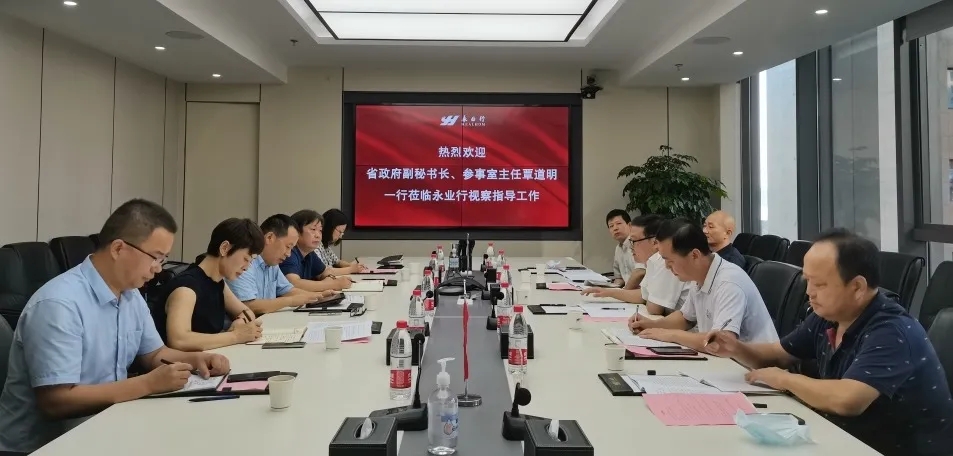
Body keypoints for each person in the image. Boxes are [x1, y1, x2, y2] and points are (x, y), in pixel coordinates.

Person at [0, 199, 231, 453]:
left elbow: (155, 354)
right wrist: (147, 384)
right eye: (155, 257)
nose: (158, 269)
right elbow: (56, 401)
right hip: (43, 447)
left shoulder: (131, 295)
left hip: (103, 427)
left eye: (163, 259)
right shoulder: (59, 304)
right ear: (119, 248)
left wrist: (197, 359)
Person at [706, 229, 953, 456]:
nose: (809, 292)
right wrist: (736, 347)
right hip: (844, 440)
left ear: (857, 287)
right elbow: (778, 354)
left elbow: (847, 400)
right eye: (808, 281)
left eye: (820, 284)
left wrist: (784, 379)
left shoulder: (893, 331)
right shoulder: (828, 316)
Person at [630, 218, 778, 350]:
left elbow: (721, 343)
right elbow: (685, 318)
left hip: (753, 367)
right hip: (726, 362)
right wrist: (652, 325)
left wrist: (670, 335)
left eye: (670, 260)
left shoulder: (729, 282)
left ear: (695, 255)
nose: (667, 267)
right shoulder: (700, 275)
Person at [151, 218, 264, 351]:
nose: (247, 267)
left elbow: (246, 312)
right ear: (225, 248)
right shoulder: (186, 289)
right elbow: (179, 340)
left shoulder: (218, 282)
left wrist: (240, 322)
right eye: (246, 259)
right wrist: (235, 336)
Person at [581, 215, 688, 315]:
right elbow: (643, 295)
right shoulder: (652, 261)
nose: (631, 246)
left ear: (655, 242)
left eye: (634, 241)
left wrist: (647, 298)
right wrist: (607, 292)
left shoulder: (664, 262)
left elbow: (654, 309)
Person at [226, 214, 331, 314]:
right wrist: (290, 301)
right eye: (288, 246)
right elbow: (248, 305)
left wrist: (319, 296)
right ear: (269, 238)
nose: (288, 254)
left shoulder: (272, 264)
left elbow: (288, 290)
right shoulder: (244, 262)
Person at [280, 210, 352, 292]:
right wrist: (333, 284)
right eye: (313, 229)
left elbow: (324, 272)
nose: (318, 235)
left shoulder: (310, 253)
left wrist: (329, 279)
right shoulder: (289, 252)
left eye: (320, 230)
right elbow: (294, 283)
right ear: (296, 231)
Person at [316, 208, 367, 276]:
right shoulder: (315, 245)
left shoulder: (325, 245)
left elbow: (337, 262)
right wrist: (351, 269)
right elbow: (325, 271)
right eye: (340, 232)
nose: (340, 236)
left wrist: (351, 266)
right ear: (329, 227)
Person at [605, 209, 645, 289]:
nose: (615, 228)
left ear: (630, 225)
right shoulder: (618, 249)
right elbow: (619, 279)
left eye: (618, 223)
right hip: (627, 291)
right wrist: (611, 289)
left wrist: (624, 291)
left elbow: (640, 272)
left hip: (642, 292)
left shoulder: (638, 243)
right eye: (611, 226)